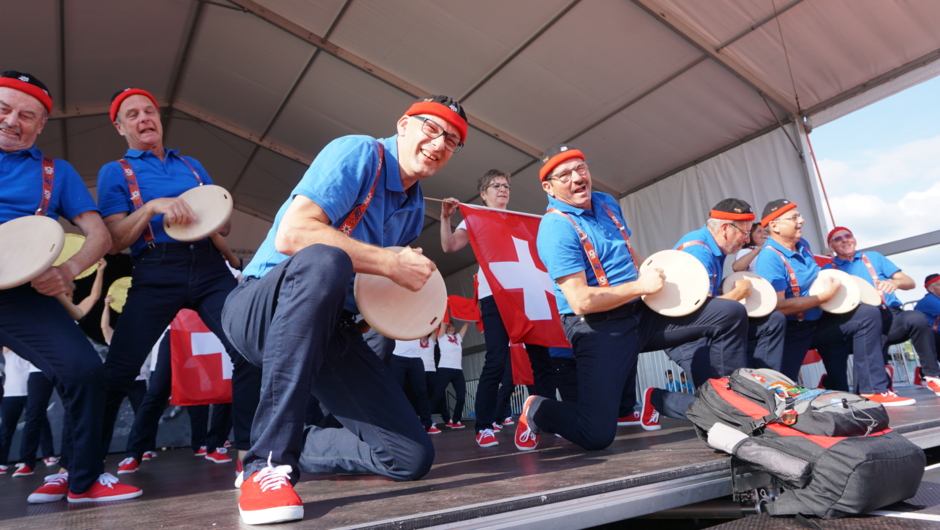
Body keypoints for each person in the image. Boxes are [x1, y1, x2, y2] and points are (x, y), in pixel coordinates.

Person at [222, 94, 467, 525]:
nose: (439, 143)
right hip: (261, 307)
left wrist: (410, 309)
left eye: (452, 140)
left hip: (332, 328)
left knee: (410, 456)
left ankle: (297, 441)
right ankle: (265, 467)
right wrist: (391, 261)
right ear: (404, 124)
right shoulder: (358, 152)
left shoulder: (412, 209)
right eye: (432, 128)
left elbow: (373, 297)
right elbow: (293, 234)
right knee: (325, 258)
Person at [519, 143, 749, 452]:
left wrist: (654, 270)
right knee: (596, 434)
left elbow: (626, 249)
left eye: (581, 168)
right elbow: (580, 301)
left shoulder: (606, 202)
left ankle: (728, 408)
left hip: (640, 314)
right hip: (598, 327)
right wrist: (642, 286)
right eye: (564, 175)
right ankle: (538, 409)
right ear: (549, 187)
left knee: (730, 313)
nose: (576, 178)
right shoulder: (555, 228)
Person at [95, 87, 259, 471]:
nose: (143, 119)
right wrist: (152, 207)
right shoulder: (116, 172)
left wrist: (225, 235)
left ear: (159, 118)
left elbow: (224, 223)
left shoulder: (191, 165)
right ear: (120, 128)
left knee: (251, 351)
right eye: (132, 115)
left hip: (207, 266)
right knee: (118, 372)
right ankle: (81, 467)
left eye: (148, 111)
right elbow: (116, 241)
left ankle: (249, 456)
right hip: (156, 269)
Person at [0, 70, 140, 503]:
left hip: (19, 295)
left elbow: (99, 234)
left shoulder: (55, 173)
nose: (12, 121)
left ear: (41, 125)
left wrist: (70, 268)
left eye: (26, 115)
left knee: (83, 370)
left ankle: (82, 479)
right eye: (3, 109)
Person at [752, 200, 913, 406]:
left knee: (867, 313)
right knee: (778, 397)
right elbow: (779, 306)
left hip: (819, 322)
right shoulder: (769, 257)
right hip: (794, 330)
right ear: (774, 226)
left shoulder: (803, 245)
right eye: (794, 218)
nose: (801, 220)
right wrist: (823, 297)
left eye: (799, 215)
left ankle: (873, 389)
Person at [439, 169, 556, 448]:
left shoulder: (522, 222)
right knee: (495, 361)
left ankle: (547, 417)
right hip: (495, 296)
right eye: (495, 185)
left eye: (506, 186)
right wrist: (445, 218)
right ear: (483, 193)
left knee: (542, 360)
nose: (502, 189)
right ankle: (483, 425)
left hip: (529, 296)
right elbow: (449, 246)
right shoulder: (475, 218)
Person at [672, 199, 787, 377]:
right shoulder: (699, 251)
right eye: (745, 233)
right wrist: (737, 294)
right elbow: (700, 311)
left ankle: (763, 384)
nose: (747, 239)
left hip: (704, 327)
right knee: (717, 397)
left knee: (773, 321)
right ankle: (658, 398)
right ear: (725, 229)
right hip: (685, 334)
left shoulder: (717, 246)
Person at [825, 227, 940, 395]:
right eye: (837, 239)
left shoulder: (874, 257)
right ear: (831, 247)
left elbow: (909, 282)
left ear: (854, 239)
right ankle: (849, 387)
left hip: (890, 315)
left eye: (848, 235)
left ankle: (932, 376)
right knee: (863, 384)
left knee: (916, 317)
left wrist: (896, 283)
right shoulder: (828, 270)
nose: (844, 240)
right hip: (858, 320)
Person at [391, 335, 439, 434]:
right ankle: (398, 424)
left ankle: (427, 424)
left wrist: (424, 334)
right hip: (398, 357)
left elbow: (427, 326)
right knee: (397, 392)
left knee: (422, 392)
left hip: (416, 358)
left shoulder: (416, 320)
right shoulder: (396, 319)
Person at [430, 321, 469, 429]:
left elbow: (466, 324)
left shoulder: (458, 338)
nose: (451, 327)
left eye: (452, 326)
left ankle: (456, 421)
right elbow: (443, 322)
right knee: (437, 395)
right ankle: (426, 420)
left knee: (461, 396)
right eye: (449, 326)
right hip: (445, 369)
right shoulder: (442, 337)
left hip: (458, 370)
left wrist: (470, 313)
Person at [914, 274, 940, 394]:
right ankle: (922, 372)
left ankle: (921, 372)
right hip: (931, 337)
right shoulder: (929, 300)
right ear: (931, 288)